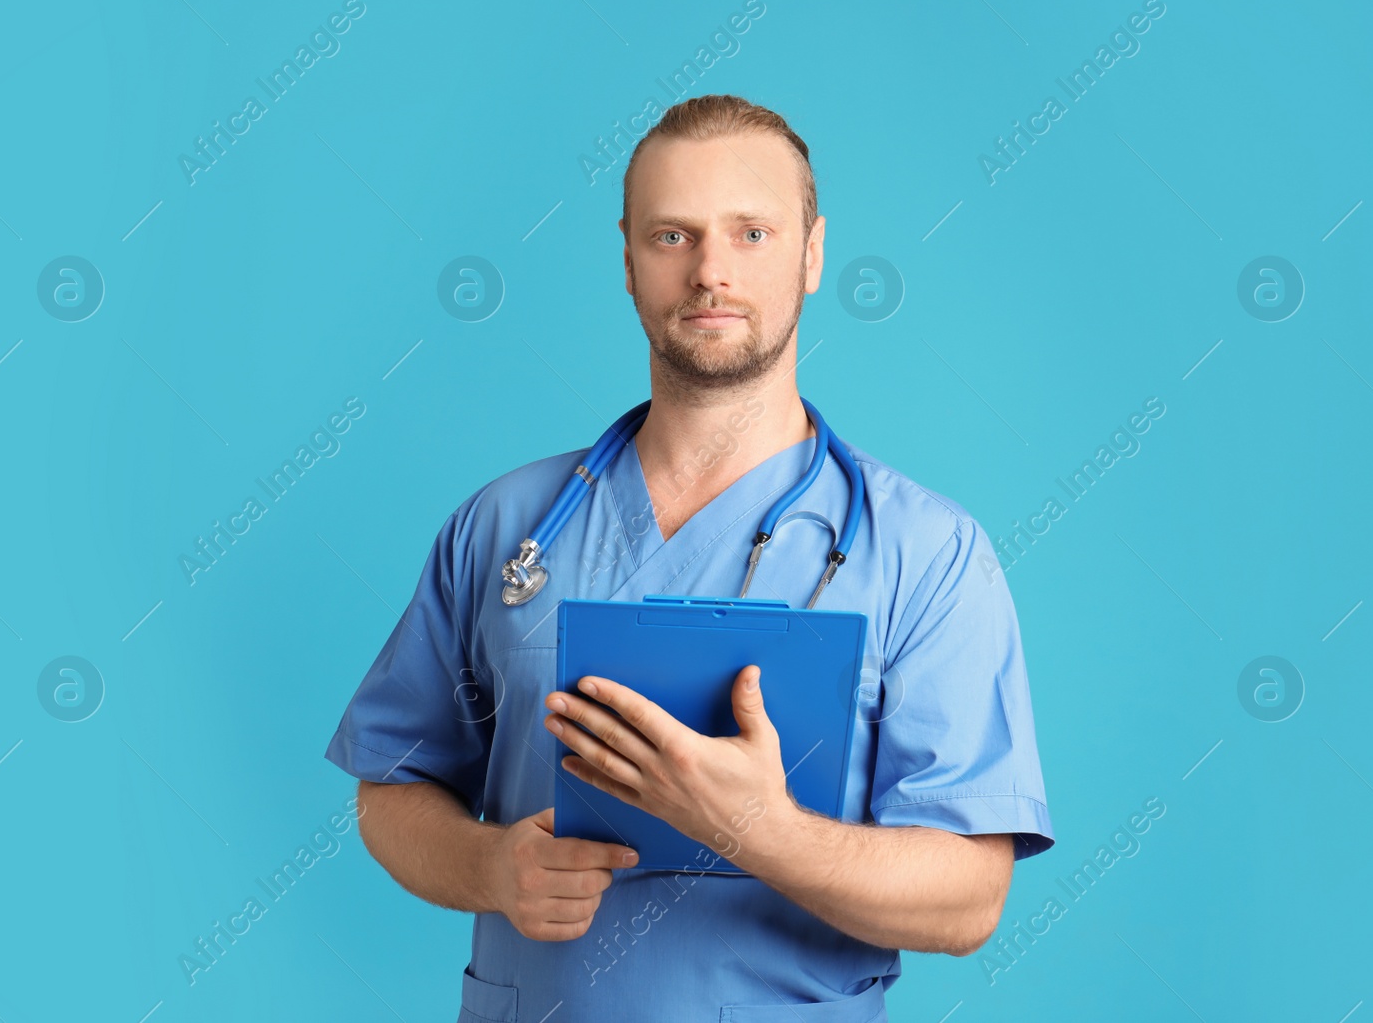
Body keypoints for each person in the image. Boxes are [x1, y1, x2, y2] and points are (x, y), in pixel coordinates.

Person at [324, 93, 1054, 1022]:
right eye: (674, 236)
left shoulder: (927, 553)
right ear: (627, 259)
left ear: (813, 253)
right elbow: (392, 787)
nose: (712, 271)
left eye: (752, 232)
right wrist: (491, 867)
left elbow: (969, 898)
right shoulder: (507, 526)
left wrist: (760, 830)